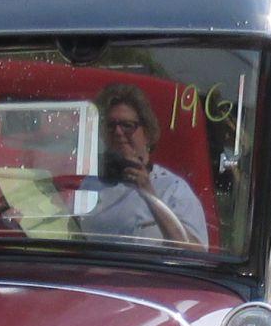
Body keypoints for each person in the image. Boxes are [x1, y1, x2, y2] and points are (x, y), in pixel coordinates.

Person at [80, 83, 209, 246]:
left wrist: (149, 194)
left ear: (147, 132)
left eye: (127, 125)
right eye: (111, 126)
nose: (119, 133)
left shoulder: (172, 189)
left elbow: (196, 254)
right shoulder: (91, 184)